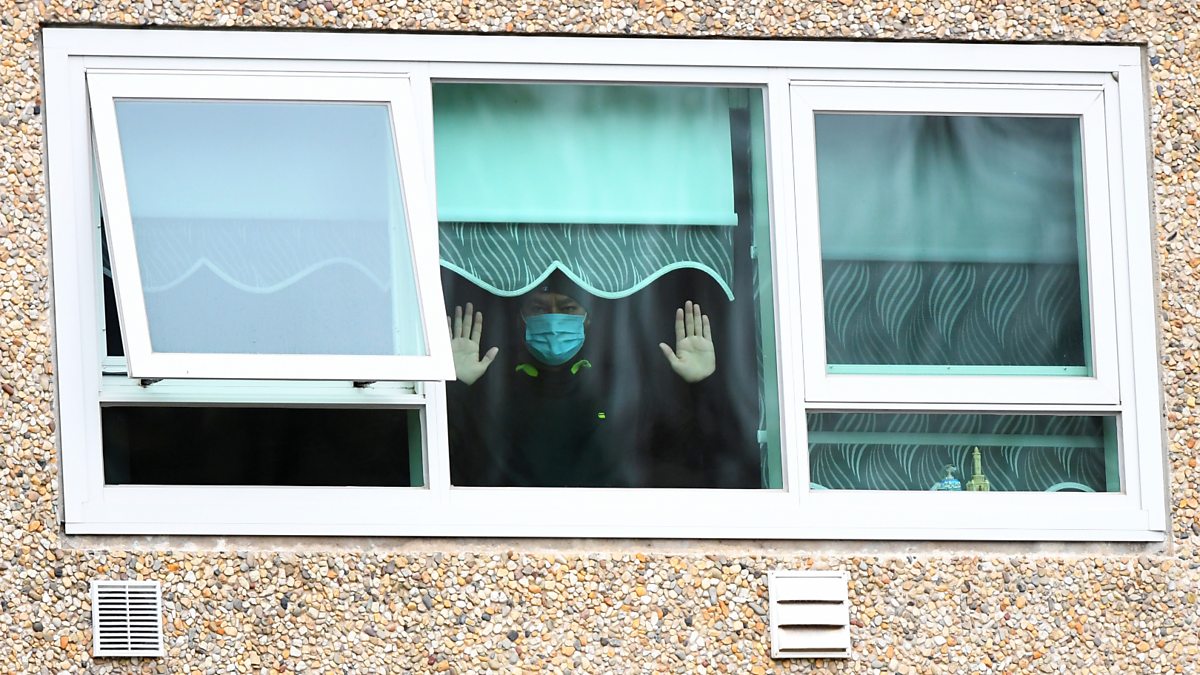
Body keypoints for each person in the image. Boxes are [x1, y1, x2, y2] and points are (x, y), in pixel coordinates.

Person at [445, 273, 748, 488]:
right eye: (538, 308)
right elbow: (460, 463)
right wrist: (456, 385)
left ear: (588, 318)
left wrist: (698, 385)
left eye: (568, 309)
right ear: (520, 317)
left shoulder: (620, 383)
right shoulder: (496, 385)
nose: (553, 321)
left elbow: (687, 462)